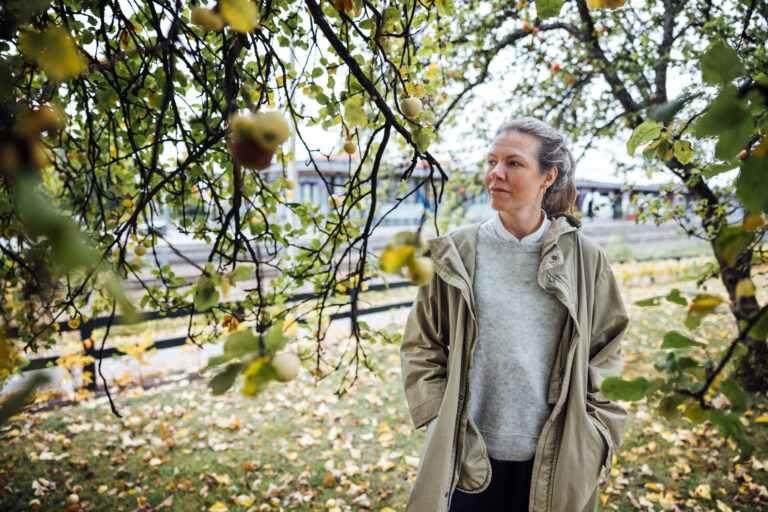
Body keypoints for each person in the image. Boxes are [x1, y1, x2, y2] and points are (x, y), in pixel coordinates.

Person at [399, 117, 630, 512]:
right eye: (492, 161)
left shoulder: (585, 259)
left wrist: (597, 432)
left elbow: (606, 350)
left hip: (557, 462)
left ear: (547, 177)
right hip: (466, 461)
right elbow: (421, 345)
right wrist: (438, 419)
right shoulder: (455, 254)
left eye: (514, 163)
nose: (496, 173)